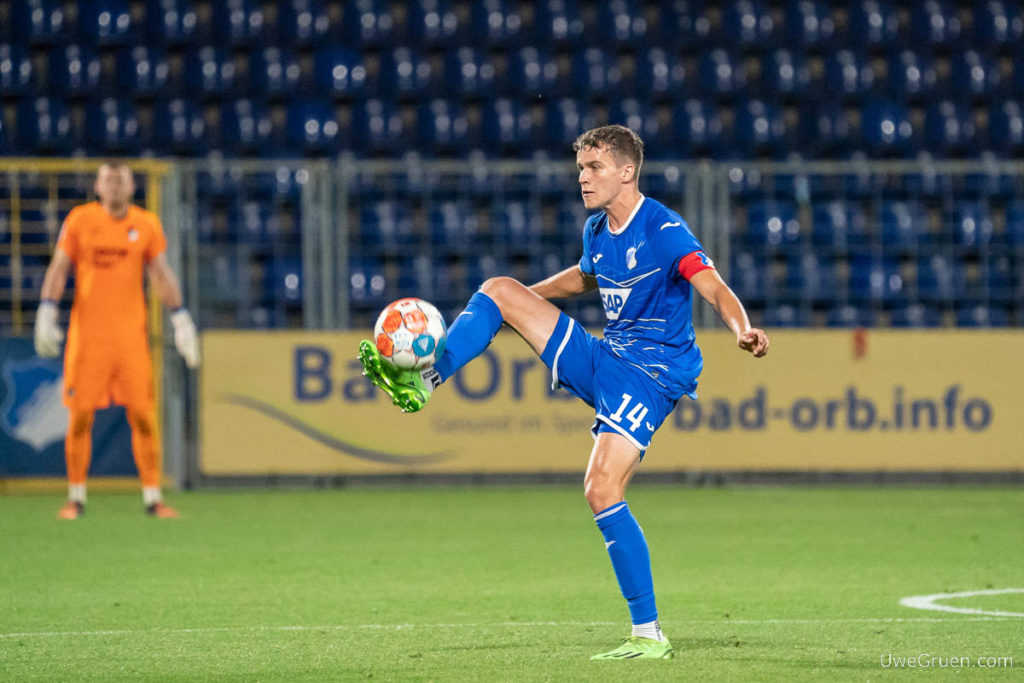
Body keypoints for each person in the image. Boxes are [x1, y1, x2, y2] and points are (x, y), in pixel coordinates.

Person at [358, 125, 769, 660]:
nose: (582, 178)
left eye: (594, 167)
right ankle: (427, 377)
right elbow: (583, 278)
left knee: (601, 489)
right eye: (580, 168)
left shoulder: (664, 228)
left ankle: (648, 635)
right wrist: (517, 305)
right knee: (497, 290)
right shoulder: (598, 230)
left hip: (649, 374)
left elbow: (711, 284)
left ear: (627, 171)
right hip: (606, 359)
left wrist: (741, 328)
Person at [34, 162, 200, 520]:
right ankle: (76, 497)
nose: (113, 187)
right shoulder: (80, 221)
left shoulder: (146, 224)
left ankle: (153, 498)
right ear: (97, 186)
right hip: (88, 338)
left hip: (130, 339)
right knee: (79, 417)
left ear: (131, 187)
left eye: (120, 181)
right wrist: (46, 309)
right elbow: (60, 267)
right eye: (108, 180)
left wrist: (180, 317)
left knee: (143, 415)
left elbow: (160, 272)